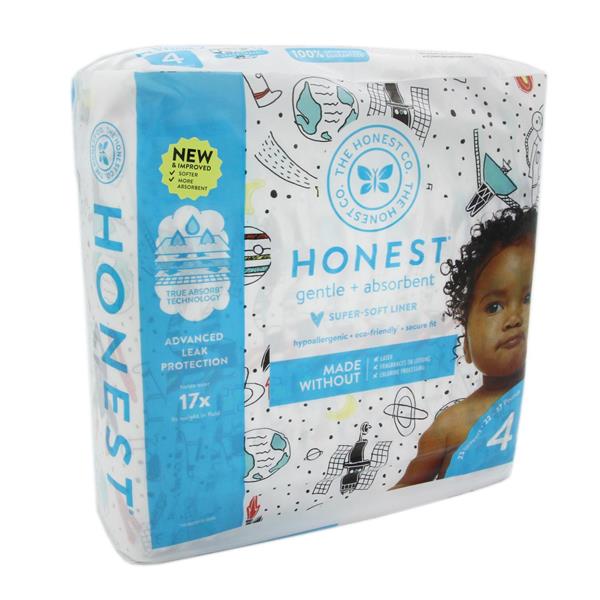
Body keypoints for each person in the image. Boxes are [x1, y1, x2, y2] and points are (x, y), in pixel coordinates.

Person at [390, 206, 537, 489]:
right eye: (494, 307)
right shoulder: (450, 426)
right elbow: (403, 490)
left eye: (529, 297)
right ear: (466, 343)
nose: (515, 318)